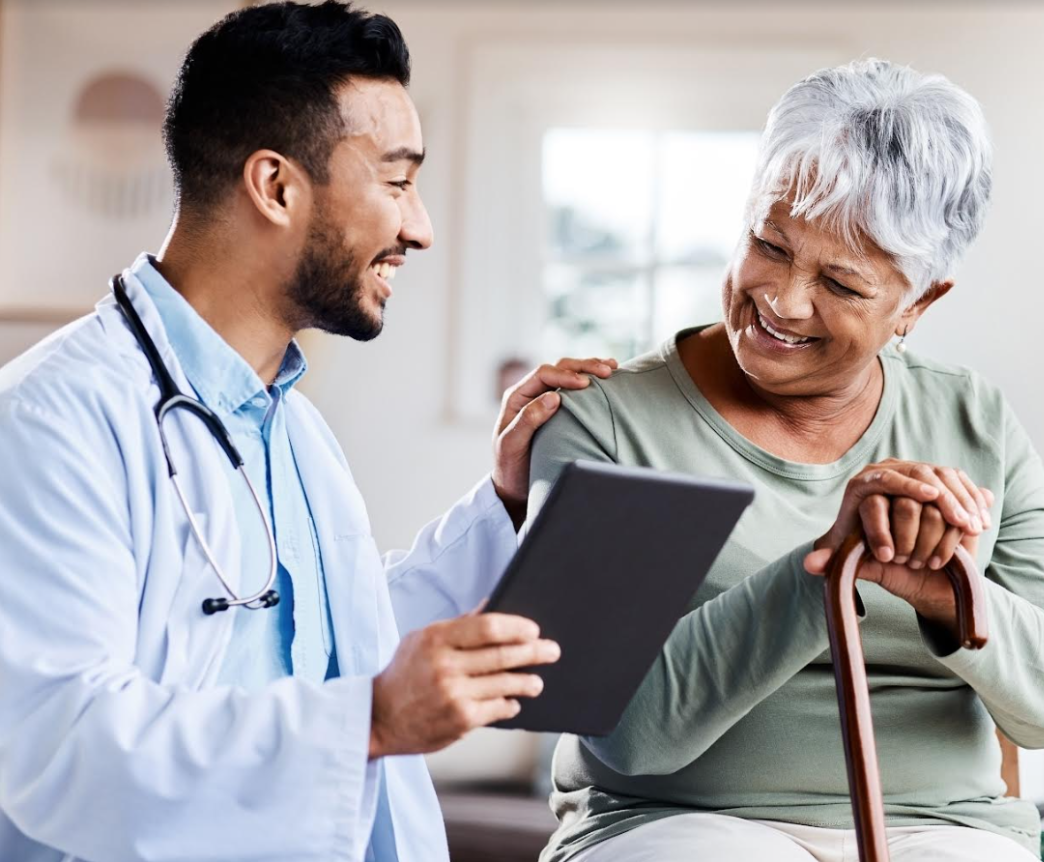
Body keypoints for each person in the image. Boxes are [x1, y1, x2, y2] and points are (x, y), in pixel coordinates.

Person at [0, 3, 617, 861]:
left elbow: (342, 643)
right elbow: (55, 745)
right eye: (397, 182)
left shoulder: (290, 423)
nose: (420, 227)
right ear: (276, 186)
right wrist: (368, 719)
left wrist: (507, 502)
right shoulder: (49, 421)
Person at [528, 58, 1044, 861]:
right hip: (677, 826)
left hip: (943, 828)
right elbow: (625, 735)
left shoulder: (968, 416)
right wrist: (824, 570)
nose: (782, 299)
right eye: (768, 244)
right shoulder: (610, 421)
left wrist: (951, 595)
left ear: (917, 302)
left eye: (840, 284)